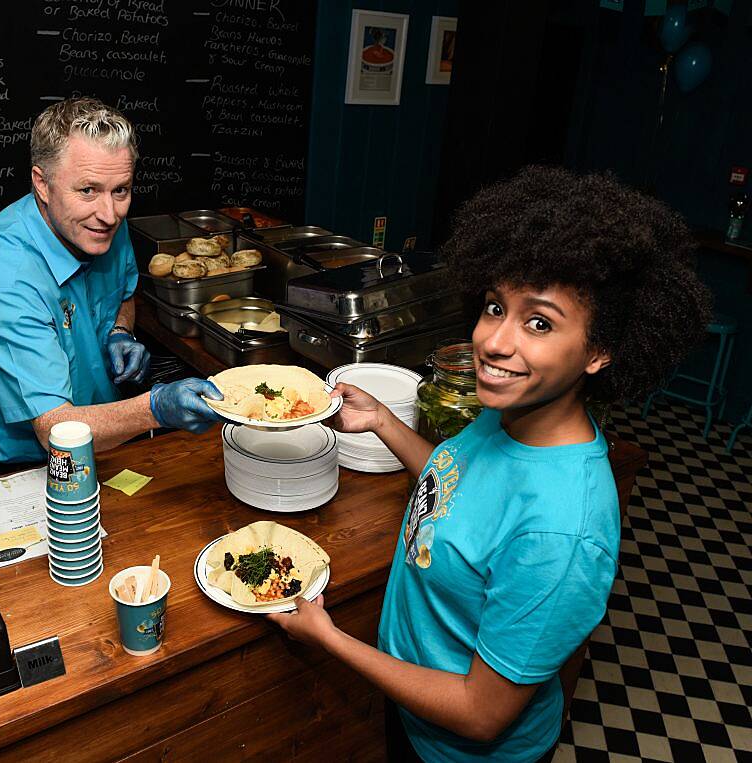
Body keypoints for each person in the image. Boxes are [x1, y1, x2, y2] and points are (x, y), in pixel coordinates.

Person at [267, 166, 711, 762]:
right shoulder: (512, 416)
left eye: (539, 323)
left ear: (601, 352)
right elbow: (460, 488)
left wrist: (329, 639)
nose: (495, 342)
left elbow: (480, 715)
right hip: (411, 705)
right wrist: (382, 422)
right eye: (496, 307)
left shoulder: (564, 531)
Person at [0, 98, 220, 477]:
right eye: (88, 190)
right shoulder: (1, 275)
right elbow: (55, 429)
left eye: (121, 190)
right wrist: (156, 407)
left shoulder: (101, 221)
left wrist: (119, 330)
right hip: (24, 461)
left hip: (108, 431)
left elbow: (125, 291)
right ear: (42, 184)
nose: (110, 214)